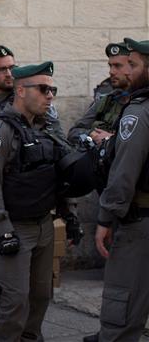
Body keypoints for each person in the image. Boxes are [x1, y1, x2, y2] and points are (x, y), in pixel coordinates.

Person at [0, 61, 79, 342]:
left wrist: (69, 215)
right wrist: (1, 228)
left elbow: (59, 175)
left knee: (41, 295)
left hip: (44, 223)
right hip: (15, 228)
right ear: (21, 90)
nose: (50, 95)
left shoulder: (46, 129)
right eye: (43, 89)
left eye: (52, 89)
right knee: (15, 302)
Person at [93, 38, 149, 342]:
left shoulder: (138, 112)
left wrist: (105, 218)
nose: (127, 69)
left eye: (134, 64)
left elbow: (124, 173)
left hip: (139, 224)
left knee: (121, 315)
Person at [68, 42, 131, 149]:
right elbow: (73, 132)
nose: (111, 72)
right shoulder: (108, 100)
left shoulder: (143, 102)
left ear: (133, 66)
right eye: (110, 66)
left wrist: (112, 139)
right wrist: (92, 135)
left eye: (118, 66)